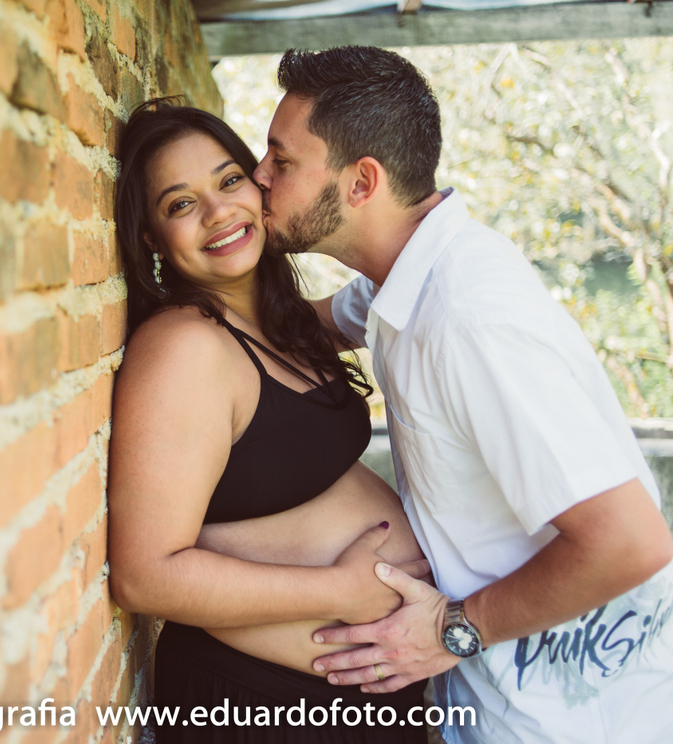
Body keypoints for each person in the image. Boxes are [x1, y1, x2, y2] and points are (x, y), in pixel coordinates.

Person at [252, 45, 673, 743]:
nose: (258, 179)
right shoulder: (400, 278)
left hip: (587, 723)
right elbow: (300, 328)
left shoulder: (468, 318)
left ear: (360, 182)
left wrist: (452, 631)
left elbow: (629, 541)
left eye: (280, 161)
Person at [106, 98, 431, 742]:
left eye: (229, 181)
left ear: (260, 185)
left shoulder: (282, 322)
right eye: (179, 204)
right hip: (260, 706)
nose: (219, 212)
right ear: (151, 238)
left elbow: (391, 284)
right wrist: (336, 592)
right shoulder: (184, 347)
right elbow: (144, 575)